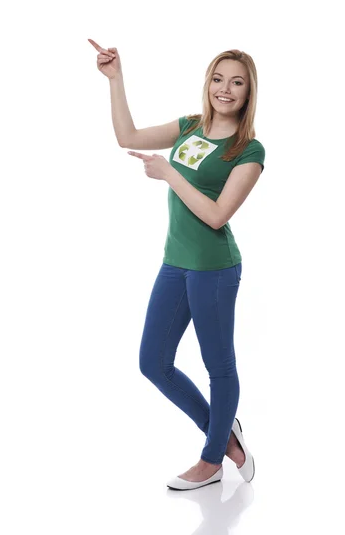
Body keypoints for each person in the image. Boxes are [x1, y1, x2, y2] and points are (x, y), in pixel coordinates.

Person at [89, 39, 265, 490]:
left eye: (237, 83)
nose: (225, 89)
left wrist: (169, 173)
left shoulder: (248, 151)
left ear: (248, 94)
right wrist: (115, 79)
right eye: (218, 79)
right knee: (153, 362)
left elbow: (216, 215)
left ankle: (211, 459)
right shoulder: (190, 126)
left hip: (214, 268)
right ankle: (225, 434)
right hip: (174, 263)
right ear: (208, 83)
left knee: (218, 365)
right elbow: (127, 138)